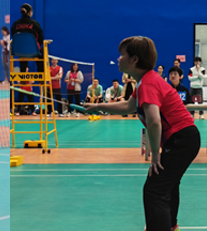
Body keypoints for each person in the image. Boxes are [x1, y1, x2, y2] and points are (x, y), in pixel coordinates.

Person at [84, 36, 200, 231]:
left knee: (155, 190)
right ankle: (171, 226)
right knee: (167, 186)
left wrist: (155, 156)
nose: (118, 58)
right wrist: (97, 107)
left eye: (122, 54)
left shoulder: (148, 83)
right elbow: (128, 106)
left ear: (134, 59)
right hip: (185, 138)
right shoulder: (143, 82)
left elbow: (154, 121)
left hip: (182, 139)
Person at [11, 3, 44, 74]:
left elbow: (14, 36)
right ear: (30, 12)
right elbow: (41, 39)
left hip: (19, 50)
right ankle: (41, 73)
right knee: (42, 53)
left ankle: (23, 73)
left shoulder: (15, 24)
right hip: (34, 50)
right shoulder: (35, 24)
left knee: (23, 51)